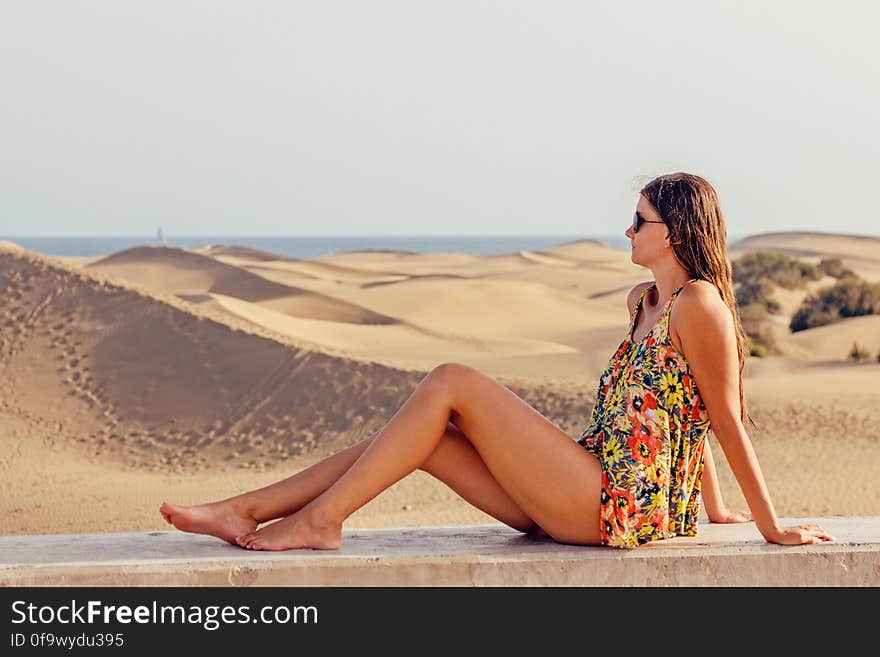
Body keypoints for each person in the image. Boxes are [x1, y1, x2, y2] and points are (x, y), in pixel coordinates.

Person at [160, 172, 834, 550]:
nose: (626, 231)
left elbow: (725, 416)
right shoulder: (644, 301)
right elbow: (680, 408)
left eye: (639, 219)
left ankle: (319, 521)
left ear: (676, 231)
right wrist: (708, 506)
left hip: (613, 503)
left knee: (453, 380)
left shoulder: (701, 305)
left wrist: (768, 525)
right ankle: (246, 509)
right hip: (579, 486)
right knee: (422, 432)